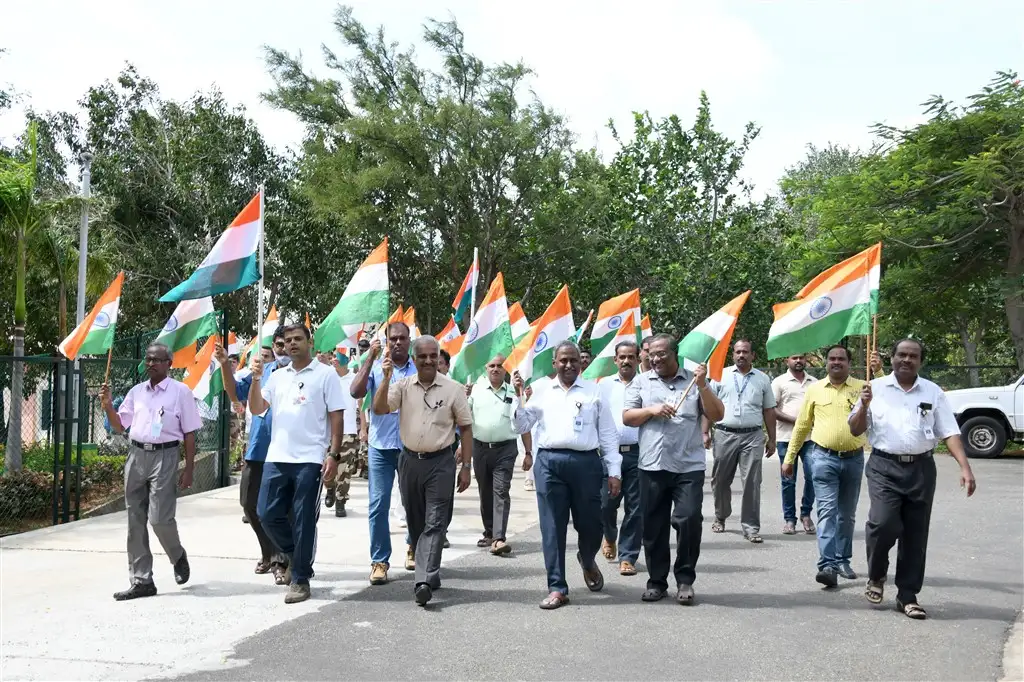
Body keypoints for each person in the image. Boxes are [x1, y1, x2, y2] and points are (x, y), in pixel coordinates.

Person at [849, 339, 977, 620]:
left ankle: (907, 595)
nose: (907, 360)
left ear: (920, 361)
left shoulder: (932, 392)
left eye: (913, 356)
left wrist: (965, 468)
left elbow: (949, 431)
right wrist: (863, 405)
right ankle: (876, 574)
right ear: (892, 357)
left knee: (915, 534)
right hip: (884, 466)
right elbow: (855, 430)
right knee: (882, 523)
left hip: (921, 469)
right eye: (902, 355)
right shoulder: (875, 388)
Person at [512, 342, 621, 610]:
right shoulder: (540, 390)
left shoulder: (594, 391)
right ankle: (557, 587)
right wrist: (517, 397)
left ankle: (586, 558)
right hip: (549, 463)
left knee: (591, 525)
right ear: (554, 363)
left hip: (586, 464)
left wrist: (614, 470)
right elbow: (521, 424)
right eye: (563, 360)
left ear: (580, 363)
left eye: (574, 360)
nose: (569, 365)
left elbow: (607, 433)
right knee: (552, 527)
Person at [373, 335, 473, 606]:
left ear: (438, 357)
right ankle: (430, 569)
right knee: (416, 522)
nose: (428, 360)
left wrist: (466, 466)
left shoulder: (453, 389)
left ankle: (423, 580)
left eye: (433, 355)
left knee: (436, 520)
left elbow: (465, 427)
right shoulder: (402, 386)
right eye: (422, 356)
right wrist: (384, 379)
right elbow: (380, 408)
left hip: (441, 462)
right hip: (409, 462)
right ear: (414, 360)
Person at [624, 334, 724, 604]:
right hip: (652, 465)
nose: (655, 359)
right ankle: (657, 581)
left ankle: (685, 579)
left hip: (687, 467)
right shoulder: (641, 381)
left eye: (661, 354)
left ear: (675, 354)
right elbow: (628, 417)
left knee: (689, 520)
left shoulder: (695, 379)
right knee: (654, 527)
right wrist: (652, 410)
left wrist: (703, 386)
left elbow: (717, 415)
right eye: (652, 354)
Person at [248, 324, 345, 604]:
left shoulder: (325, 375)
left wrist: (333, 454)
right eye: (288, 340)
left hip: (310, 459)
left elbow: (336, 417)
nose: (292, 344)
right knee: (265, 513)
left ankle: (301, 579)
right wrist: (255, 380)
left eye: (298, 339)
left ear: (309, 342)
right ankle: (295, 555)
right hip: (277, 457)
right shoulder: (277, 377)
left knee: (303, 520)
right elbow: (256, 409)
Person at [100, 343, 202, 601]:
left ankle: (177, 555)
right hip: (136, 456)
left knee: (159, 519)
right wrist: (109, 406)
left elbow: (190, 433)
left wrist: (188, 469)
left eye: (157, 360)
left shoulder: (181, 393)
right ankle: (142, 580)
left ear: (170, 363)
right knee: (135, 520)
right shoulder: (136, 392)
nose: (151, 364)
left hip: (165, 456)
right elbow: (120, 426)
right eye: (148, 359)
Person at [783, 345, 868, 587]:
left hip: (854, 458)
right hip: (823, 458)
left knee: (847, 514)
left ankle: (843, 560)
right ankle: (827, 565)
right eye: (832, 358)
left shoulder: (863, 387)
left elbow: (889, 400)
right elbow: (801, 425)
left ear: (849, 363)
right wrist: (790, 458)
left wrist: (879, 372)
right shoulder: (815, 389)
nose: (836, 362)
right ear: (826, 363)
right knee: (827, 512)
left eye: (841, 359)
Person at [350, 322, 416, 585]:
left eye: (402, 338)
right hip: (380, 447)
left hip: (411, 446)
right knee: (378, 506)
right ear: (386, 341)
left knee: (413, 502)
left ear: (409, 340)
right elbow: (355, 391)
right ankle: (379, 561)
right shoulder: (377, 365)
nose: (398, 342)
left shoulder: (417, 368)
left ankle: (413, 547)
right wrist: (370, 360)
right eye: (393, 339)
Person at [216, 336, 282, 576]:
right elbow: (232, 390)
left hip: (283, 451)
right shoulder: (259, 372)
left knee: (276, 508)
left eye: (269, 355)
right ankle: (268, 552)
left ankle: (280, 560)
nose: (278, 350)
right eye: (276, 346)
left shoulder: (291, 373)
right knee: (249, 504)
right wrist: (225, 364)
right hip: (257, 448)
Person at [704, 339, 777, 543]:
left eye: (745, 352)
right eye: (737, 352)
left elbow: (769, 410)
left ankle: (751, 527)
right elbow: (708, 406)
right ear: (733, 354)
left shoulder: (763, 379)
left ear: (753, 355)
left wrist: (772, 438)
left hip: (753, 436)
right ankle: (721, 515)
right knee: (720, 480)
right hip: (724, 433)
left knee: (752, 482)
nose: (741, 355)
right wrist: (705, 432)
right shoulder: (721, 375)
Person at [467, 354, 533, 556]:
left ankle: (499, 538)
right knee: (485, 492)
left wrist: (528, 453)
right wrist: (463, 448)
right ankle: (489, 532)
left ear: (506, 369)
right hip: (480, 448)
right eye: (492, 366)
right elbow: (465, 422)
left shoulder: (514, 392)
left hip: (505, 449)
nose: (496, 369)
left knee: (501, 490)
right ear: (486, 368)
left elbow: (523, 423)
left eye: (499, 366)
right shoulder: (475, 391)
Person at [598, 340, 643, 576]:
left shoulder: (647, 385)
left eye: (631, 356)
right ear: (615, 360)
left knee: (636, 507)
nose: (626, 361)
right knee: (606, 504)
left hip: (639, 454)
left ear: (638, 359)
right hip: (609, 454)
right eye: (622, 357)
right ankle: (609, 535)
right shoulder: (603, 386)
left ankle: (628, 556)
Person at [771, 354, 818, 535]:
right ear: (787, 361)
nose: (798, 361)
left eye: (802, 358)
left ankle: (806, 514)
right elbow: (772, 409)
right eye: (794, 358)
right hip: (786, 438)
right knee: (788, 480)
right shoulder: (779, 382)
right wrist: (798, 421)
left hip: (811, 438)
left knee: (813, 477)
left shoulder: (814, 382)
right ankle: (789, 519)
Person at [323, 344, 359, 517]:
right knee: (328, 469)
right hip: (328, 431)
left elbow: (361, 405)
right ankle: (330, 488)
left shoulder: (355, 378)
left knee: (345, 469)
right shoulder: (327, 377)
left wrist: (363, 429)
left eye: (339, 356)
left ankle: (340, 500)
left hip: (350, 430)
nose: (335, 359)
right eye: (334, 356)